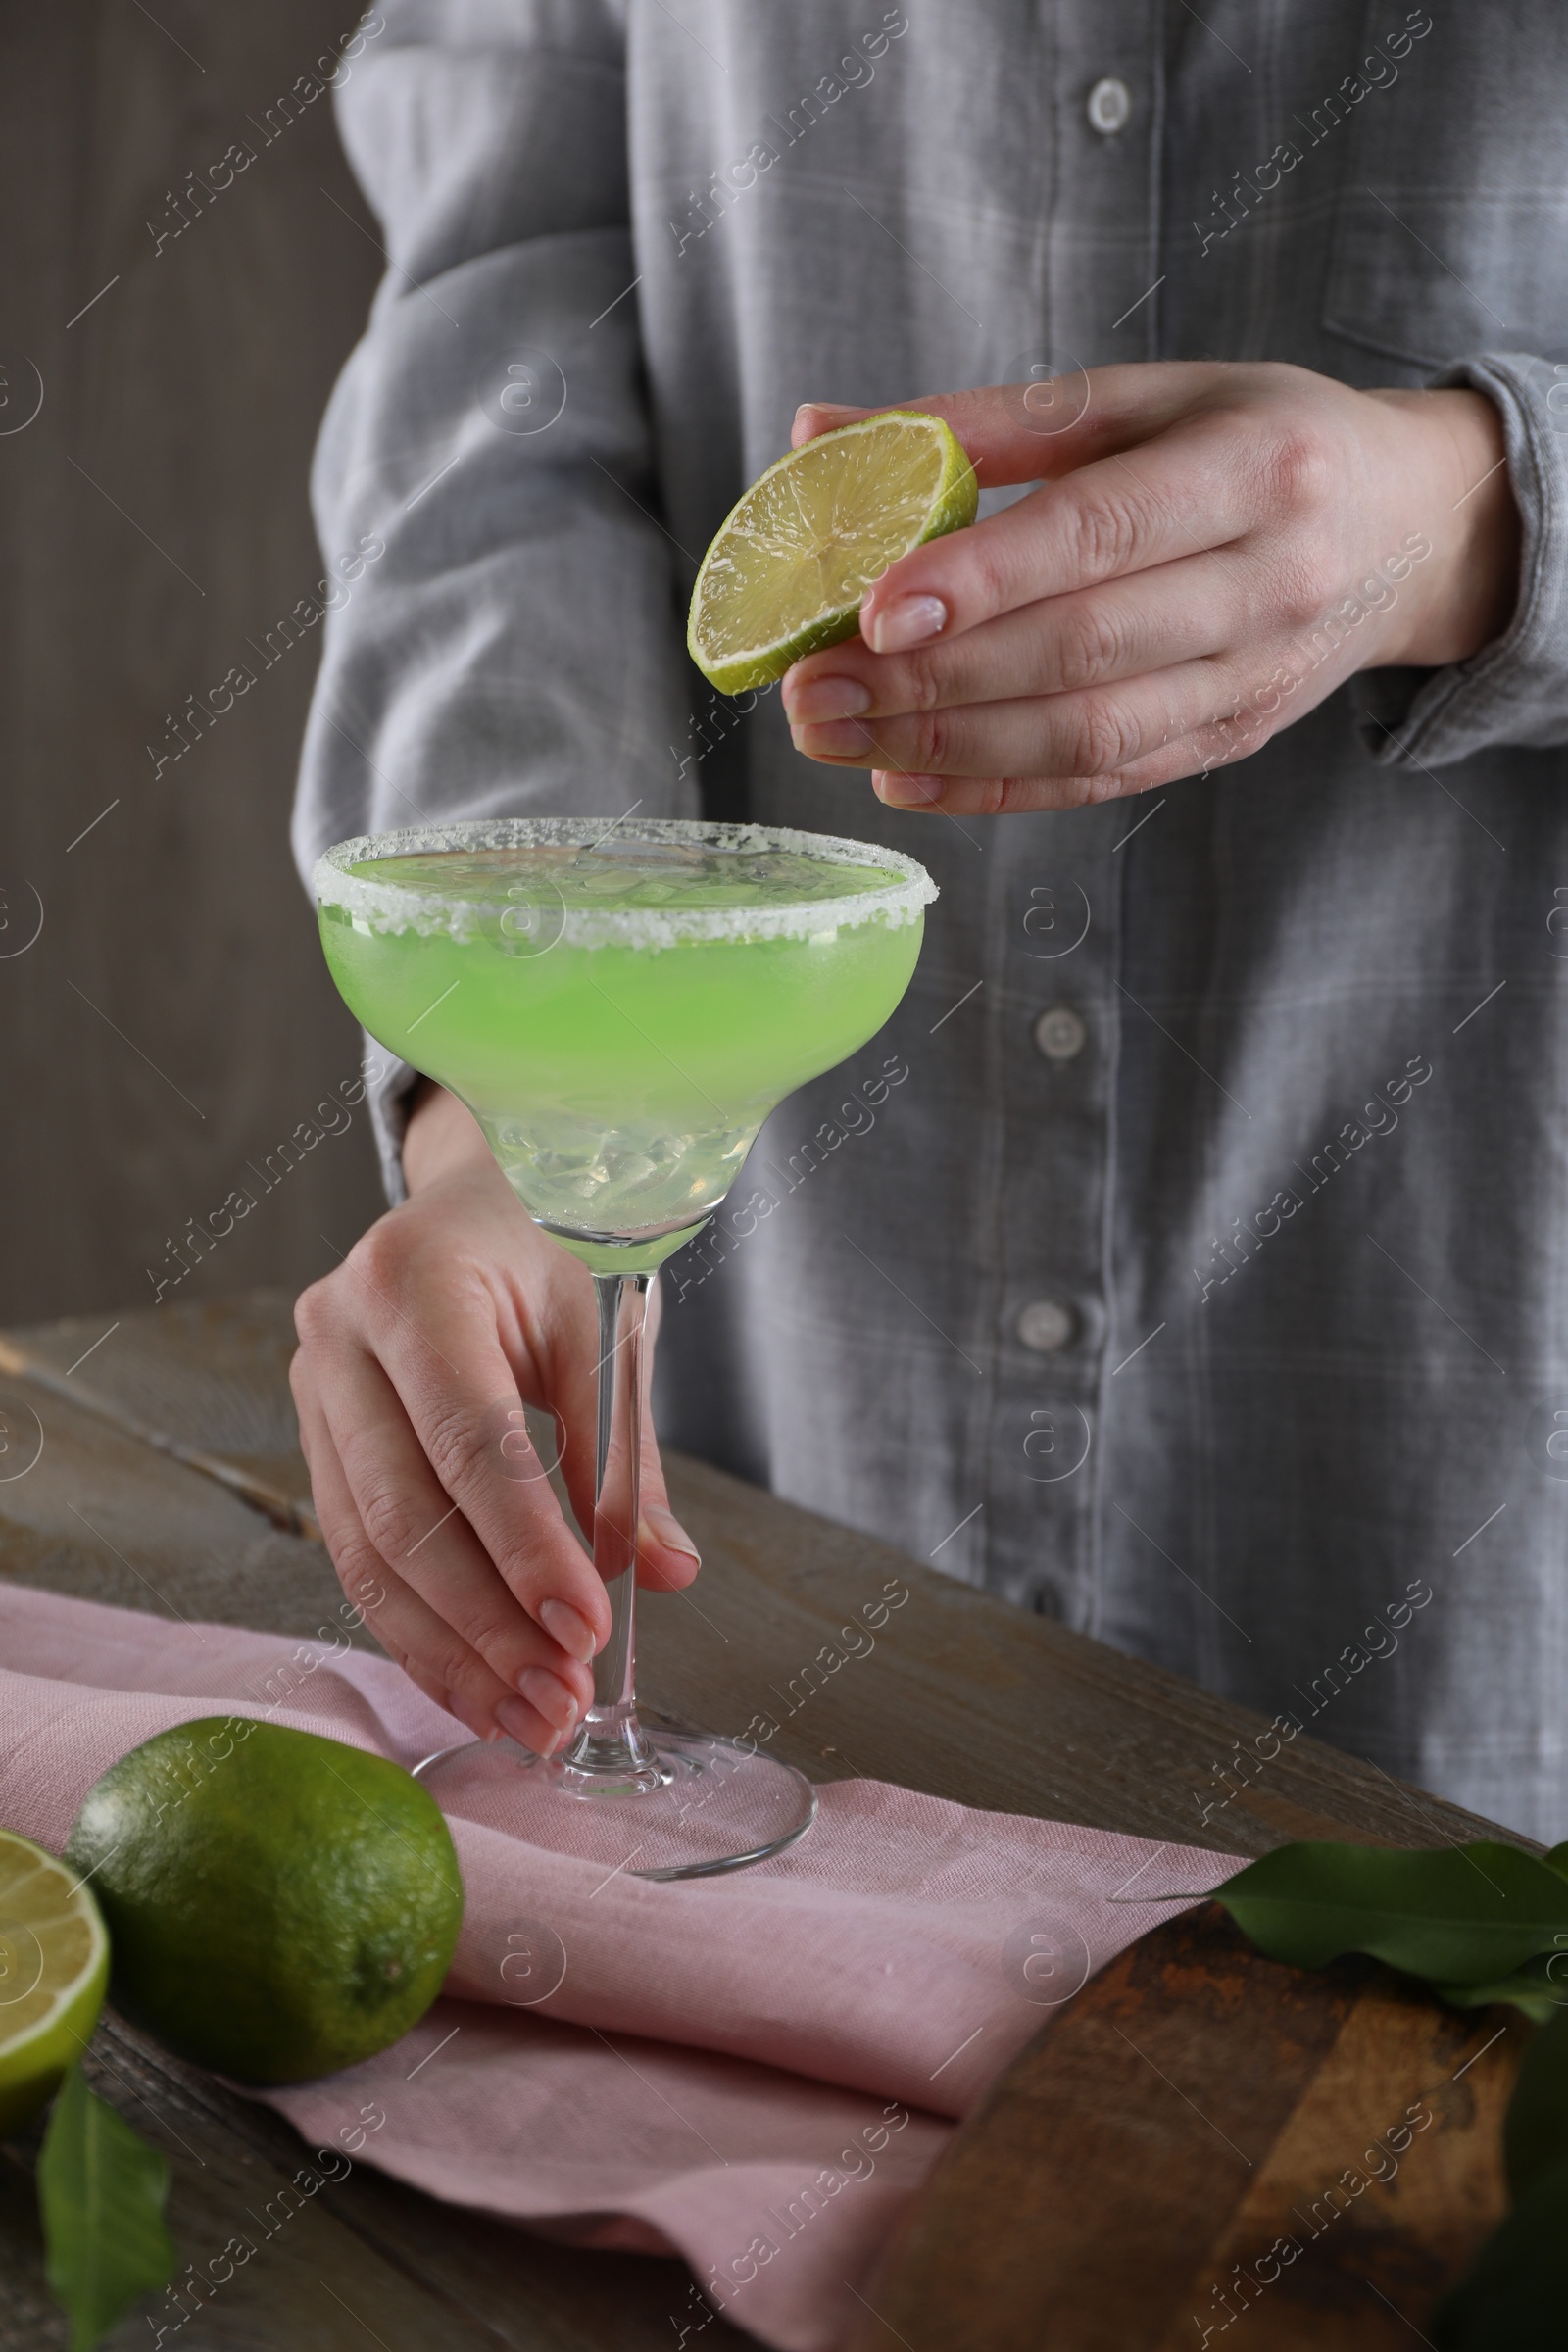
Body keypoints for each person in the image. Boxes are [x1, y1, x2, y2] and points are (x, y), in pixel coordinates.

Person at [290, 2, 1568, 1840]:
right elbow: (504, 340)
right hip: (793, 1450)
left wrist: (1483, 510)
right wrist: (519, 1115)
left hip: (1467, 1458)